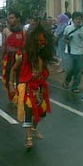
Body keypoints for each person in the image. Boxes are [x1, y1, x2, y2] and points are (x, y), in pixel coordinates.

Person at [17, 18, 53, 149]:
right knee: (28, 111)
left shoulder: (43, 57)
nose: (41, 45)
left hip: (39, 87)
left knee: (41, 112)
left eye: (43, 43)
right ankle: (28, 138)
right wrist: (11, 83)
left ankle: (34, 128)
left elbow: (45, 70)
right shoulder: (25, 55)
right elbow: (15, 69)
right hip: (28, 86)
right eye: (39, 42)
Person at [62, 12, 83, 93]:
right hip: (69, 52)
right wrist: (67, 40)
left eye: (80, 19)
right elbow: (64, 39)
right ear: (73, 19)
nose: (78, 21)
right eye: (76, 19)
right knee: (69, 69)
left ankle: (75, 86)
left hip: (80, 53)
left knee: (78, 71)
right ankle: (67, 80)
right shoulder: (68, 28)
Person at [1, 11, 25, 101]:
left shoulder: (23, 30)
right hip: (10, 57)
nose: (10, 20)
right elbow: (4, 45)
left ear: (18, 19)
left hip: (21, 57)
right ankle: (12, 96)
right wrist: (2, 58)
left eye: (12, 17)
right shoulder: (6, 31)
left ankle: (20, 96)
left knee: (20, 77)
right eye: (9, 18)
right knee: (8, 77)